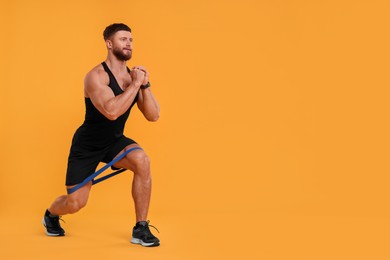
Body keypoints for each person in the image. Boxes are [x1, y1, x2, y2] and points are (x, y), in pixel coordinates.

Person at [42, 23, 161, 247]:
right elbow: (112, 112)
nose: (128, 43)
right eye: (123, 39)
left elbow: (153, 116)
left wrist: (145, 85)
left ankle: (141, 228)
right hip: (87, 145)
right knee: (75, 203)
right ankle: (50, 214)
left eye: (131, 40)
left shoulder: (132, 77)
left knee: (142, 160)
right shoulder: (95, 77)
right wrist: (135, 84)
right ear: (109, 43)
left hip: (114, 141)